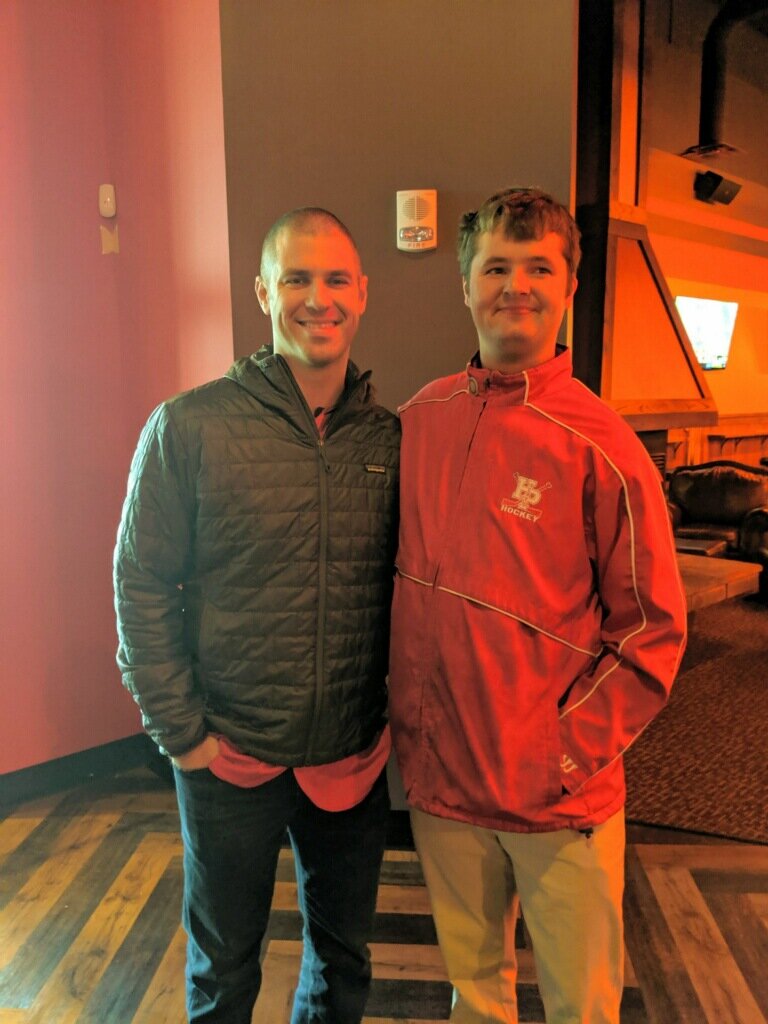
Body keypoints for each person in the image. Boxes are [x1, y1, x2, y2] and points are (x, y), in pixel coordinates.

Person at [388, 187, 687, 1024]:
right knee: (475, 996)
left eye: (538, 267)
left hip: (558, 800)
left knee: (580, 1006)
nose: (515, 285)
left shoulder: (608, 448)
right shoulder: (420, 421)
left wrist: (560, 754)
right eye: (496, 266)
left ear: (568, 287)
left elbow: (654, 631)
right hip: (445, 787)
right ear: (466, 285)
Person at [114, 207, 400, 1024]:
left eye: (336, 278)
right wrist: (185, 736)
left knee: (342, 963)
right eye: (298, 278)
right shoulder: (188, 426)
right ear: (264, 291)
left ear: (363, 292)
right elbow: (140, 585)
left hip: (350, 759)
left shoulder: (390, 439)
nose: (319, 298)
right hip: (228, 759)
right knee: (224, 971)